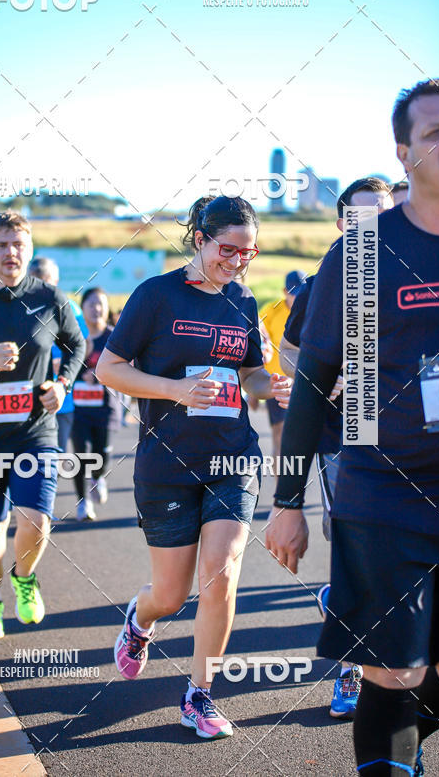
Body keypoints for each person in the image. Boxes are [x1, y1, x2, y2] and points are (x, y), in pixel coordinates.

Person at [266, 78, 439, 776]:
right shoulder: (363, 252)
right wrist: (288, 504)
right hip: (384, 491)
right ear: (404, 153)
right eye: (435, 131)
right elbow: (312, 385)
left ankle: (402, 747)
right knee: (393, 673)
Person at [96, 195, 292, 740]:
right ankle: (141, 619)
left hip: (233, 457)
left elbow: (249, 375)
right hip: (167, 464)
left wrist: (266, 386)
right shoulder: (155, 295)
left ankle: (199, 695)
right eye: (227, 249)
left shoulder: (243, 300)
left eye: (248, 254)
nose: (236, 262)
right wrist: (174, 390)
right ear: (200, 239)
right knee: (172, 593)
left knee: (221, 575)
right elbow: (109, 368)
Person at [279, 176, 393, 719]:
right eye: (359, 215)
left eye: (382, 212)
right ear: (342, 222)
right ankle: (351, 672)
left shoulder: (414, 266)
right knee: (355, 548)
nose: (370, 223)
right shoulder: (330, 273)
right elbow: (289, 351)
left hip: (410, 434)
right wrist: (329, 379)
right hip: (344, 432)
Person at [0, 211, 85, 639]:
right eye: (2, 244)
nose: (11, 252)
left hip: (36, 430)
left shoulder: (51, 298)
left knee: (36, 518)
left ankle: (25, 577)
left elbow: (77, 344)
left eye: (19, 245)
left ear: (29, 249)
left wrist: (63, 383)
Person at [27, 256, 91, 456]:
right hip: (25, 395)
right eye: (35, 281)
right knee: (21, 458)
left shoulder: (70, 308)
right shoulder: (20, 307)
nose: (41, 288)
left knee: (53, 455)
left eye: (46, 282)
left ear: (55, 281)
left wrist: (65, 366)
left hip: (60, 399)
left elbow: (84, 344)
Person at [72, 287, 121, 521]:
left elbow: (124, 367)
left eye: (100, 303)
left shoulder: (114, 337)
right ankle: (83, 504)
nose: (96, 308)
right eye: (91, 304)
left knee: (102, 454)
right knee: (81, 456)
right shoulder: (75, 337)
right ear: (82, 308)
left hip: (106, 407)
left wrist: (100, 376)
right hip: (79, 408)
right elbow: (63, 368)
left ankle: (98, 477)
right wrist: (81, 373)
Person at [258, 270, 306, 456]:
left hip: (302, 383)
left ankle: (296, 481)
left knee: (298, 436)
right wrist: (254, 391)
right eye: (294, 294)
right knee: (280, 433)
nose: (298, 298)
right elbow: (259, 339)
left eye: (301, 294)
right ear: (285, 291)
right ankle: (281, 484)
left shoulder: (310, 310)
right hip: (276, 383)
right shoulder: (272, 311)